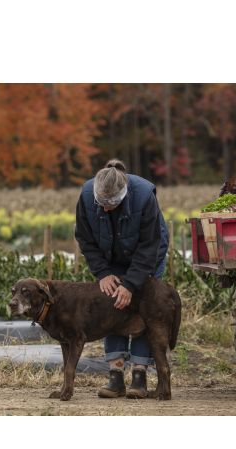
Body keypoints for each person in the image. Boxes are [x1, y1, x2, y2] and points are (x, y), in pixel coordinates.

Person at [75, 159, 169, 398]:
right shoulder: (86, 195)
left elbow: (150, 245)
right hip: (110, 257)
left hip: (148, 255)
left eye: (112, 203)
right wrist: (103, 273)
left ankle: (139, 376)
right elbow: (85, 239)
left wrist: (131, 284)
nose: (106, 208)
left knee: (142, 310)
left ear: (123, 194)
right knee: (113, 305)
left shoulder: (145, 196)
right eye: (101, 203)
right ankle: (115, 378)